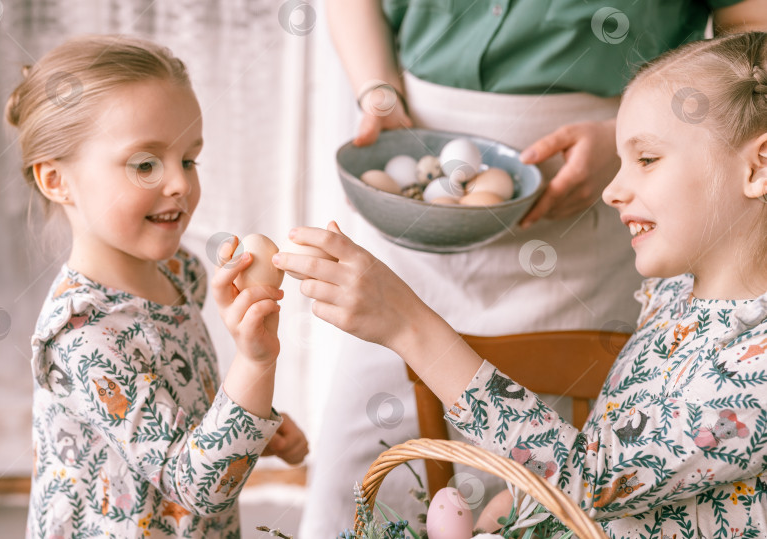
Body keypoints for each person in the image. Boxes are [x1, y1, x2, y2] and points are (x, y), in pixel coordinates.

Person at [275, 30, 767, 536]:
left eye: (646, 159)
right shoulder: (678, 294)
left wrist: (408, 325)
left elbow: (592, 481)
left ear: (759, 165)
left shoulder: (758, 363)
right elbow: (621, 452)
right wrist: (520, 502)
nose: (613, 190)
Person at [11, 35, 308, 538]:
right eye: (145, 163)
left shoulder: (179, 270)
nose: (180, 184)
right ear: (56, 180)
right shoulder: (83, 336)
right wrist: (256, 364)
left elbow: (179, 397)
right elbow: (196, 487)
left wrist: (257, 417)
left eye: (189, 159)